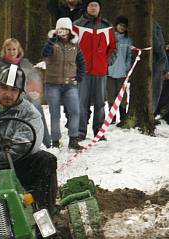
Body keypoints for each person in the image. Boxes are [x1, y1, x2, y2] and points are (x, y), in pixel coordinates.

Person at [0, 65, 57, 214]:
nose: (8, 94)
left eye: (13, 90)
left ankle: (43, 215)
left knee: (46, 159)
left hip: (17, 165)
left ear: (20, 92)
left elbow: (24, 145)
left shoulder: (30, 114)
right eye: (4, 88)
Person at [0, 38, 51, 148]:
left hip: (25, 95)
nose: (12, 52)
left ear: (19, 50)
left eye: (14, 49)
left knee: (37, 109)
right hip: (6, 98)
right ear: (4, 50)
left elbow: (35, 78)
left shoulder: (25, 63)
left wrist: (35, 92)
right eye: (9, 49)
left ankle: (47, 142)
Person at [73, 0, 116, 139]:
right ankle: (80, 132)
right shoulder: (77, 25)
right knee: (81, 103)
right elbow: (71, 47)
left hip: (100, 71)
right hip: (82, 71)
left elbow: (113, 47)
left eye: (95, 5)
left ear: (99, 8)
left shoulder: (107, 26)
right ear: (86, 7)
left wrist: (107, 61)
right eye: (90, 5)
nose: (93, 8)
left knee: (100, 104)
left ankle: (99, 131)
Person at [42, 17, 86, 150]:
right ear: (57, 30)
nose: (64, 32)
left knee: (75, 111)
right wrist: (52, 40)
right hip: (52, 84)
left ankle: (73, 139)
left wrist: (79, 77)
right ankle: (55, 141)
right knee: (55, 113)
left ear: (70, 30)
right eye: (61, 29)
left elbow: (82, 63)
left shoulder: (75, 45)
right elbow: (44, 53)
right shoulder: (52, 43)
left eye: (66, 29)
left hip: (70, 85)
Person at [107, 16, 132, 125]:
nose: (122, 27)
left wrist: (127, 68)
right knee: (111, 94)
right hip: (110, 71)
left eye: (124, 26)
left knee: (122, 95)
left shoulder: (127, 40)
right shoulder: (110, 37)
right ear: (116, 25)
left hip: (122, 72)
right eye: (120, 25)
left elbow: (129, 56)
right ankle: (112, 116)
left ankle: (123, 115)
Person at [153, 19, 169, 113]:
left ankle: (153, 111)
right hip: (156, 60)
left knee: (157, 88)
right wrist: (162, 55)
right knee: (155, 88)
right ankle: (152, 111)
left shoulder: (156, 23)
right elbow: (157, 43)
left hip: (159, 60)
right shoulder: (151, 23)